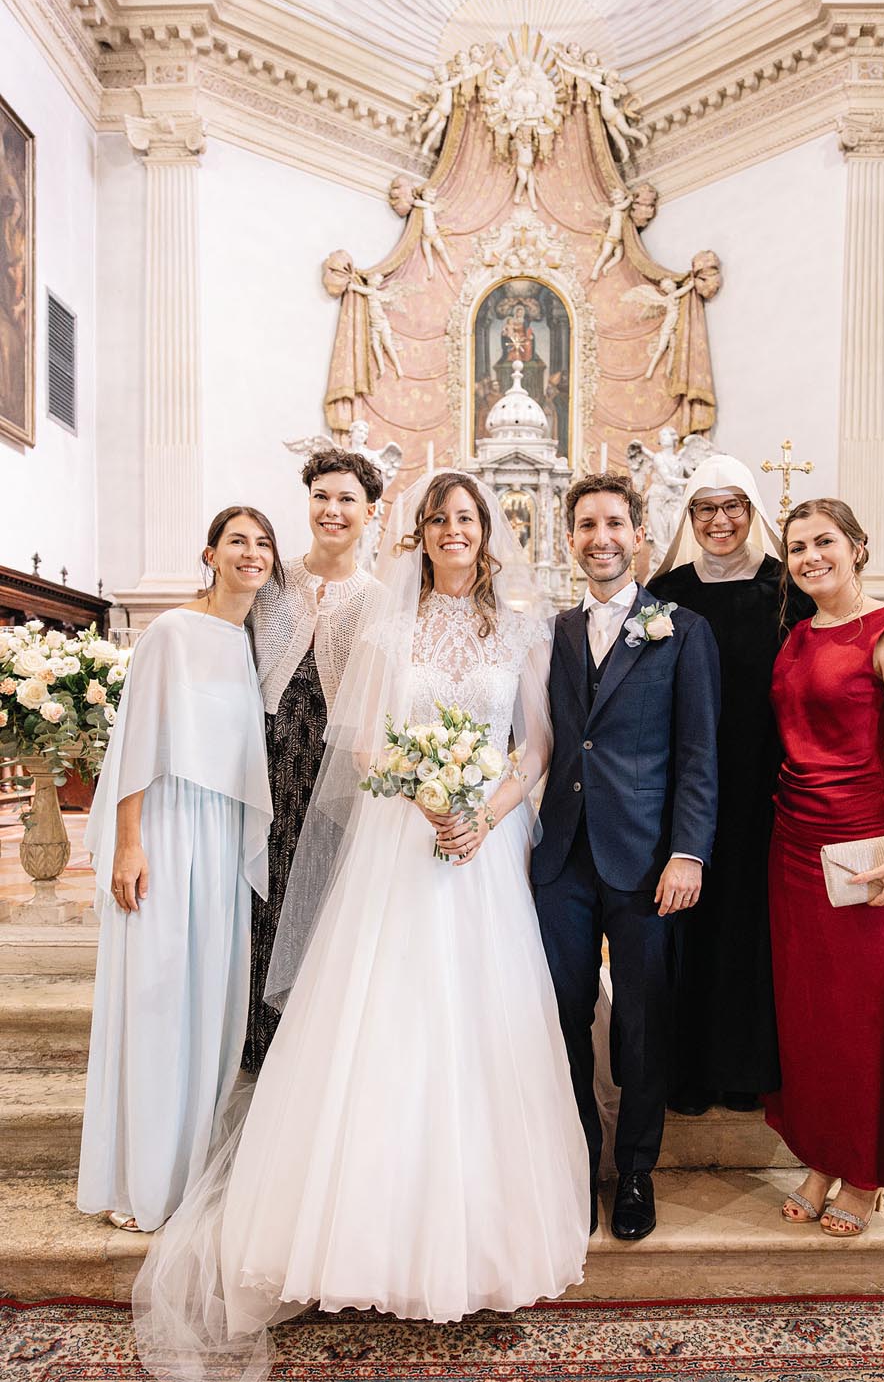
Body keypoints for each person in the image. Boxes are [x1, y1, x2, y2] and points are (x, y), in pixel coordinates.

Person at [133, 473, 589, 1377]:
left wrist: (483, 816)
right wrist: (427, 797)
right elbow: (366, 739)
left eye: (467, 519)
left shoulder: (521, 630)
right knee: (383, 1015)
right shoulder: (389, 623)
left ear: (488, 532)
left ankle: (478, 1235)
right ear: (420, 533)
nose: (453, 531)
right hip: (400, 837)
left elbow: (535, 745)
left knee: (479, 1021)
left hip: (486, 845)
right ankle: (352, 1232)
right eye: (439, 520)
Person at [531, 472, 720, 1242]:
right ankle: (577, 1161)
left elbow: (698, 753)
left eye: (614, 523)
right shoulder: (551, 633)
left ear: (640, 534)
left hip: (647, 860)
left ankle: (636, 1171)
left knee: (642, 1018)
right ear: (569, 538)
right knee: (563, 1014)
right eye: (586, 525)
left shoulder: (684, 631)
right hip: (560, 857)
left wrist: (688, 853)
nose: (600, 537)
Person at [77, 508, 277, 1233]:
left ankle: (188, 1172)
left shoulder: (251, 641)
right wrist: (129, 843)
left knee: (211, 1001)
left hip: (221, 835)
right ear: (210, 554)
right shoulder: (171, 632)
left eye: (262, 544)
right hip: (165, 825)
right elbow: (137, 742)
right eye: (237, 542)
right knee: (158, 995)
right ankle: (141, 1180)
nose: (251, 553)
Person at [766, 498, 884, 1236]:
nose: (811, 557)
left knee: (863, 1018)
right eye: (798, 547)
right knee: (810, 1018)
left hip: (865, 848)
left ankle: (863, 1173)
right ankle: (820, 1157)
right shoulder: (798, 634)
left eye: (824, 541)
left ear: (857, 547)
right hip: (793, 845)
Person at [647, 455, 813, 1115]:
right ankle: (687, 1073)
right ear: (688, 516)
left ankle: (744, 1070)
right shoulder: (666, 593)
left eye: (733, 506)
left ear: (752, 510)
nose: (720, 521)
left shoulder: (786, 589)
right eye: (706, 508)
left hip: (762, 783)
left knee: (749, 924)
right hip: (682, 785)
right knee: (687, 927)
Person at [243, 448, 382, 1074]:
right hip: (265, 764)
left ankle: (304, 1060)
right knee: (259, 900)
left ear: (370, 512)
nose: (332, 510)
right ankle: (252, 1047)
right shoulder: (269, 583)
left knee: (319, 907)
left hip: (333, 779)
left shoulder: (379, 600)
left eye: (347, 499)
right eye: (322, 496)